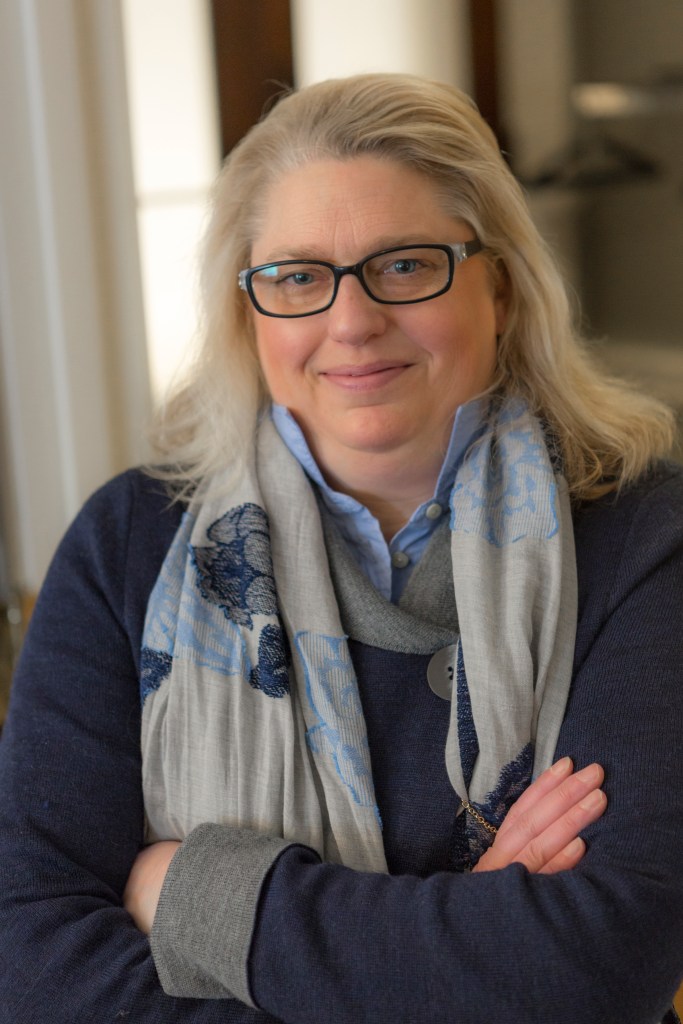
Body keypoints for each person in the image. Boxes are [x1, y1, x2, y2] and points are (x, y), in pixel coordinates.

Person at [0, 73, 681, 1024]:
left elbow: (597, 967)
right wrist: (475, 934)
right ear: (247, 313)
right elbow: (31, 959)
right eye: (295, 277)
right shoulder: (127, 542)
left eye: (404, 265)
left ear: (501, 287)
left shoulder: (644, 533)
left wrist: (195, 896)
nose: (350, 321)